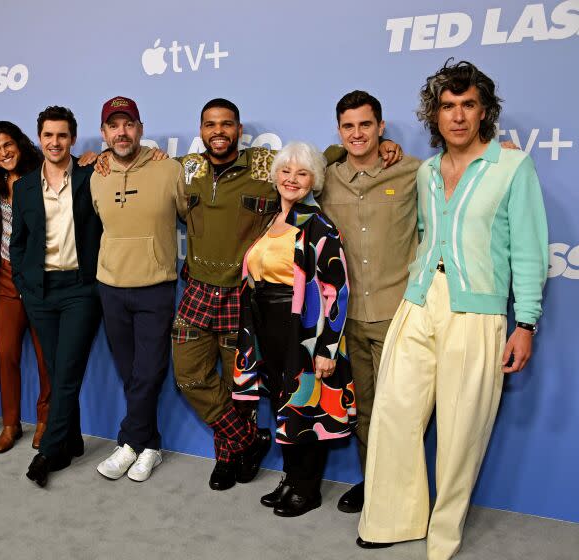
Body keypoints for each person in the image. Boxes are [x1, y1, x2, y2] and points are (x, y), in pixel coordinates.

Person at [357, 60, 548, 559]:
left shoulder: (512, 166)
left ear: (485, 111)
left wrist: (525, 322)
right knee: (394, 414)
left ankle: (443, 535)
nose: (458, 116)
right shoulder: (424, 171)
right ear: (434, 114)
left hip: (477, 312)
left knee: (462, 430)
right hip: (419, 301)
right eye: (447, 106)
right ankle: (393, 519)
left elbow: (529, 250)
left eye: (468, 105)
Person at [169, 98, 401, 491]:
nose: (219, 131)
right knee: (226, 384)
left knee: (280, 397)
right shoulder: (189, 171)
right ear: (200, 130)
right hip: (232, 307)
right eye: (210, 124)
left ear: (240, 130)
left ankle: (270, 472)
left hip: (276, 318)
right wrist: (98, 155)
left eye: (227, 124)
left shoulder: (292, 197)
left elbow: (334, 288)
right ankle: (255, 448)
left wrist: (374, 146)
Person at [233, 142, 355, 516]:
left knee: (306, 406)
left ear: (314, 180)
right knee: (283, 404)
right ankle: (289, 477)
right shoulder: (272, 219)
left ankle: (307, 487)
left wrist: (327, 348)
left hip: (302, 329)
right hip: (266, 325)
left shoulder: (319, 225)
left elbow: (338, 290)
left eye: (302, 173)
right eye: (286, 171)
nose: (292, 179)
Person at [317, 91, 421, 512]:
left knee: (402, 412)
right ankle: (373, 484)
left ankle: (403, 495)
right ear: (339, 132)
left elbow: (464, 174)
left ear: (381, 127)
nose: (357, 133)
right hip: (348, 321)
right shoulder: (325, 176)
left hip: (400, 317)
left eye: (366, 124)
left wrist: (501, 152)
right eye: (348, 126)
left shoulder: (414, 172)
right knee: (363, 409)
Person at [90, 96, 186, 482]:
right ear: (104, 134)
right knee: (129, 372)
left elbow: (188, 214)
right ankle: (150, 446)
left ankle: (128, 442)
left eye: (128, 124)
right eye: (113, 126)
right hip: (110, 286)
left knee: (149, 372)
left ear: (141, 128)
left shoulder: (169, 170)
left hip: (155, 286)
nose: (121, 132)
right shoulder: (95, 174)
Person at [11, 106, 103, 487]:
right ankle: (73, 441)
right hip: (40, 292)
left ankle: (49, 450)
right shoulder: (25, 186)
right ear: (39, 139)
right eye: (48, 135)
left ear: (72, 139)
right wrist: (23, 283)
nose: (54, 142)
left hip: (81, 289)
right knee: (56, 370)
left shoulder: (91, 175)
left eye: (62, 135)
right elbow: (19, 241)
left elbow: (124, 156)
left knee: (66, 374)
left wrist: (104, 157)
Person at [0, 121, 52, 452]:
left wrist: (97, 156)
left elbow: (77, 167)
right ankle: (10, 424)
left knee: (45, 356)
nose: (4, 152)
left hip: (41, 277)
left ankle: (45, 422)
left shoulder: (43, 172)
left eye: (8, 145)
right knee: (6, 354)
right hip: (6, 278)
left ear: (19, 144)